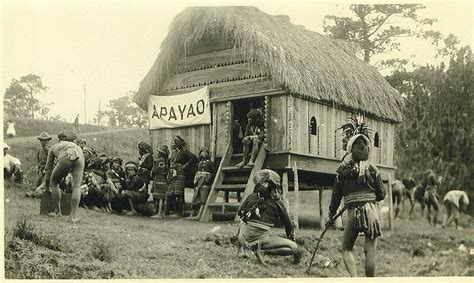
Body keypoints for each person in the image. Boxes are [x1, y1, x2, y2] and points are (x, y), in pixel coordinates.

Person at [327, 133, 385, 277]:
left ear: (350, 149)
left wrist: (331, 214)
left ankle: (355, 279)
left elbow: (335, 198)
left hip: (353, 213)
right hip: (372, 213)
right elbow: (381, 194)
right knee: (370, 250)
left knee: (346, 249)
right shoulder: (373, 169)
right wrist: (368, 196)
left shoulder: (342, 172)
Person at [236, 169, 300, 265]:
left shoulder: (252, 196)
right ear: (274, 186)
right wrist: (290, 234)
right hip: (261, 239)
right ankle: (262, 251)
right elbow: (287, 223)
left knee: (242, 222)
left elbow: (240, 213)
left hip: (243, 238)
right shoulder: (277, 201)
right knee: (293, 247)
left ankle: (241, 251)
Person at [44, 130, 84, 222]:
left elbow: (48, 168)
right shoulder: (77, 146)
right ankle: (72, 217)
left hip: (65, 155)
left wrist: (47, 185)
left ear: (60, 139)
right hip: (80, 155)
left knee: (54, 182)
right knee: (77, 186)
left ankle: (58, 212)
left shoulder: (54, 147)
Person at [168, 135, 198, 217]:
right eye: (173, 141)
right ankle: (175, 211)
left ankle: (179, 212)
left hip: (180, 174)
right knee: (171, 193)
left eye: (175, 141)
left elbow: (194, 158)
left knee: (179, 193)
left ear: (179, 143)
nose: (173, 143)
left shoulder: (184, 152)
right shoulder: (173, 153)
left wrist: (185, 166)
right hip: (173, 174)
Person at [188, 147, 215, 219]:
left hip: (205, 183)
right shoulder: (198, 164)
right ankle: (192, 214)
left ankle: (199, 214)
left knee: (203, 198)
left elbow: (213, 173)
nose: (204, 153)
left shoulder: (210, 163)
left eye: (206, 152)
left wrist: (207, 177)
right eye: (202, 151)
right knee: (195, 197)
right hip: (198, 182)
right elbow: (196, 172)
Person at [150, 145, 169, 219]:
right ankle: (163, 213)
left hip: (158, 179)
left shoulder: (159, 161)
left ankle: (159, 213)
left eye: (158, 152)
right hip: (164, 180)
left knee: (159, 197)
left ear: (161, 153)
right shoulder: (165, 161)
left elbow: (155, 170)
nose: (157, 154)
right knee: (163, 197)